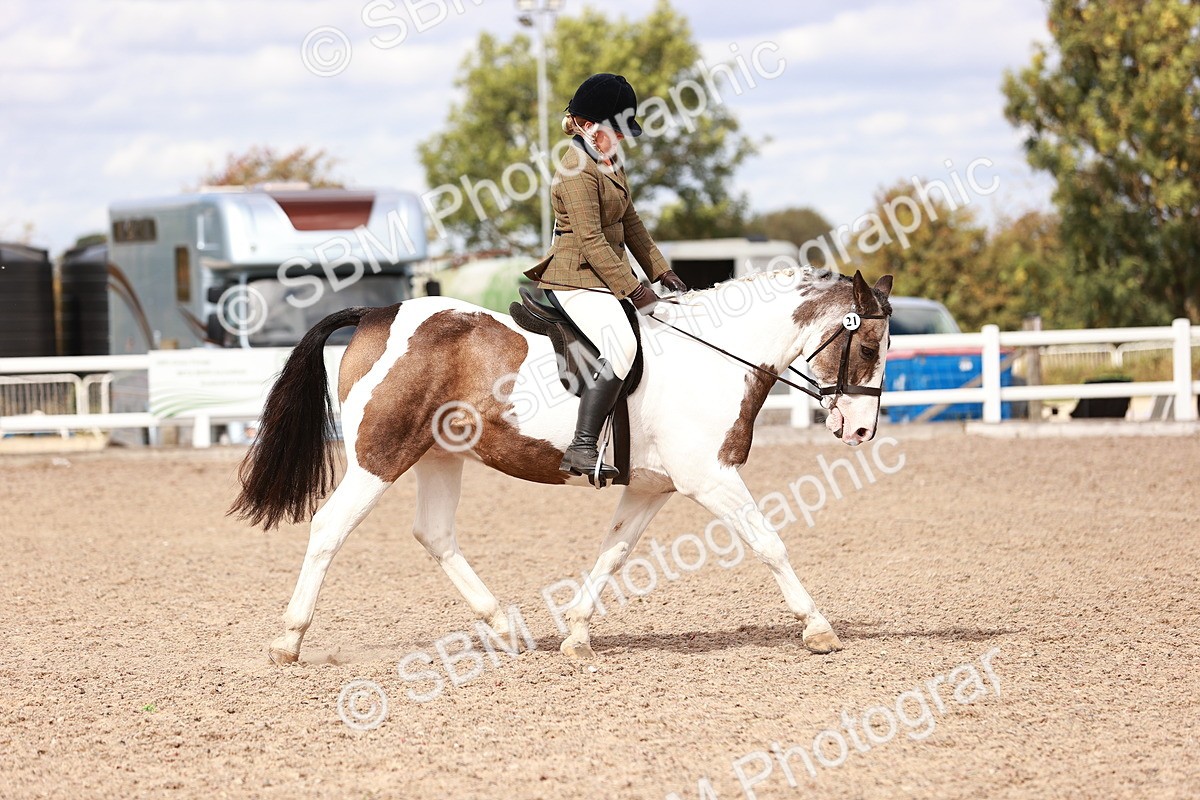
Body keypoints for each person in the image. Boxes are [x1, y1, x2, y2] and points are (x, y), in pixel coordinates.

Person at [524, 72, 688, 480]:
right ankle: (581, 446)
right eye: (616, 131)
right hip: (575, 279)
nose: (622, 139)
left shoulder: (607, 162)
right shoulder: (575, 170)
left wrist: (662, 271)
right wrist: (635, 289)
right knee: (622, 345)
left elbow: (632, 225)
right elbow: (593, 241)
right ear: (588, 126)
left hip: (601, 278)